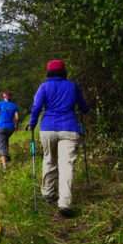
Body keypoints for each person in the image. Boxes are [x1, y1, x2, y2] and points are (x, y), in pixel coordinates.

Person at [27, 59, 89, 217]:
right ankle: (64, 203)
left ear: (48, 72)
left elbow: (36, 107)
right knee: (66, 165)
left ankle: (48, 194)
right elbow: (83, 106)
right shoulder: (72, 86)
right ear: (64, 71)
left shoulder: (44, 87)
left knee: (49, 160)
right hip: (69, 127)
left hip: (48, 128)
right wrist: (85, 110)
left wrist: (32, 123)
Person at [0, 91, 19, 170]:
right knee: (5, 140)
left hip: (1, 127)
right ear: (10, 97)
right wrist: (16, 126)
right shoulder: (14, 106)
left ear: (3, 97)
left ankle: (4, 166)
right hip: (11, 128)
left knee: (1, 145)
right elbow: (17, 118)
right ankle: (7, 158)